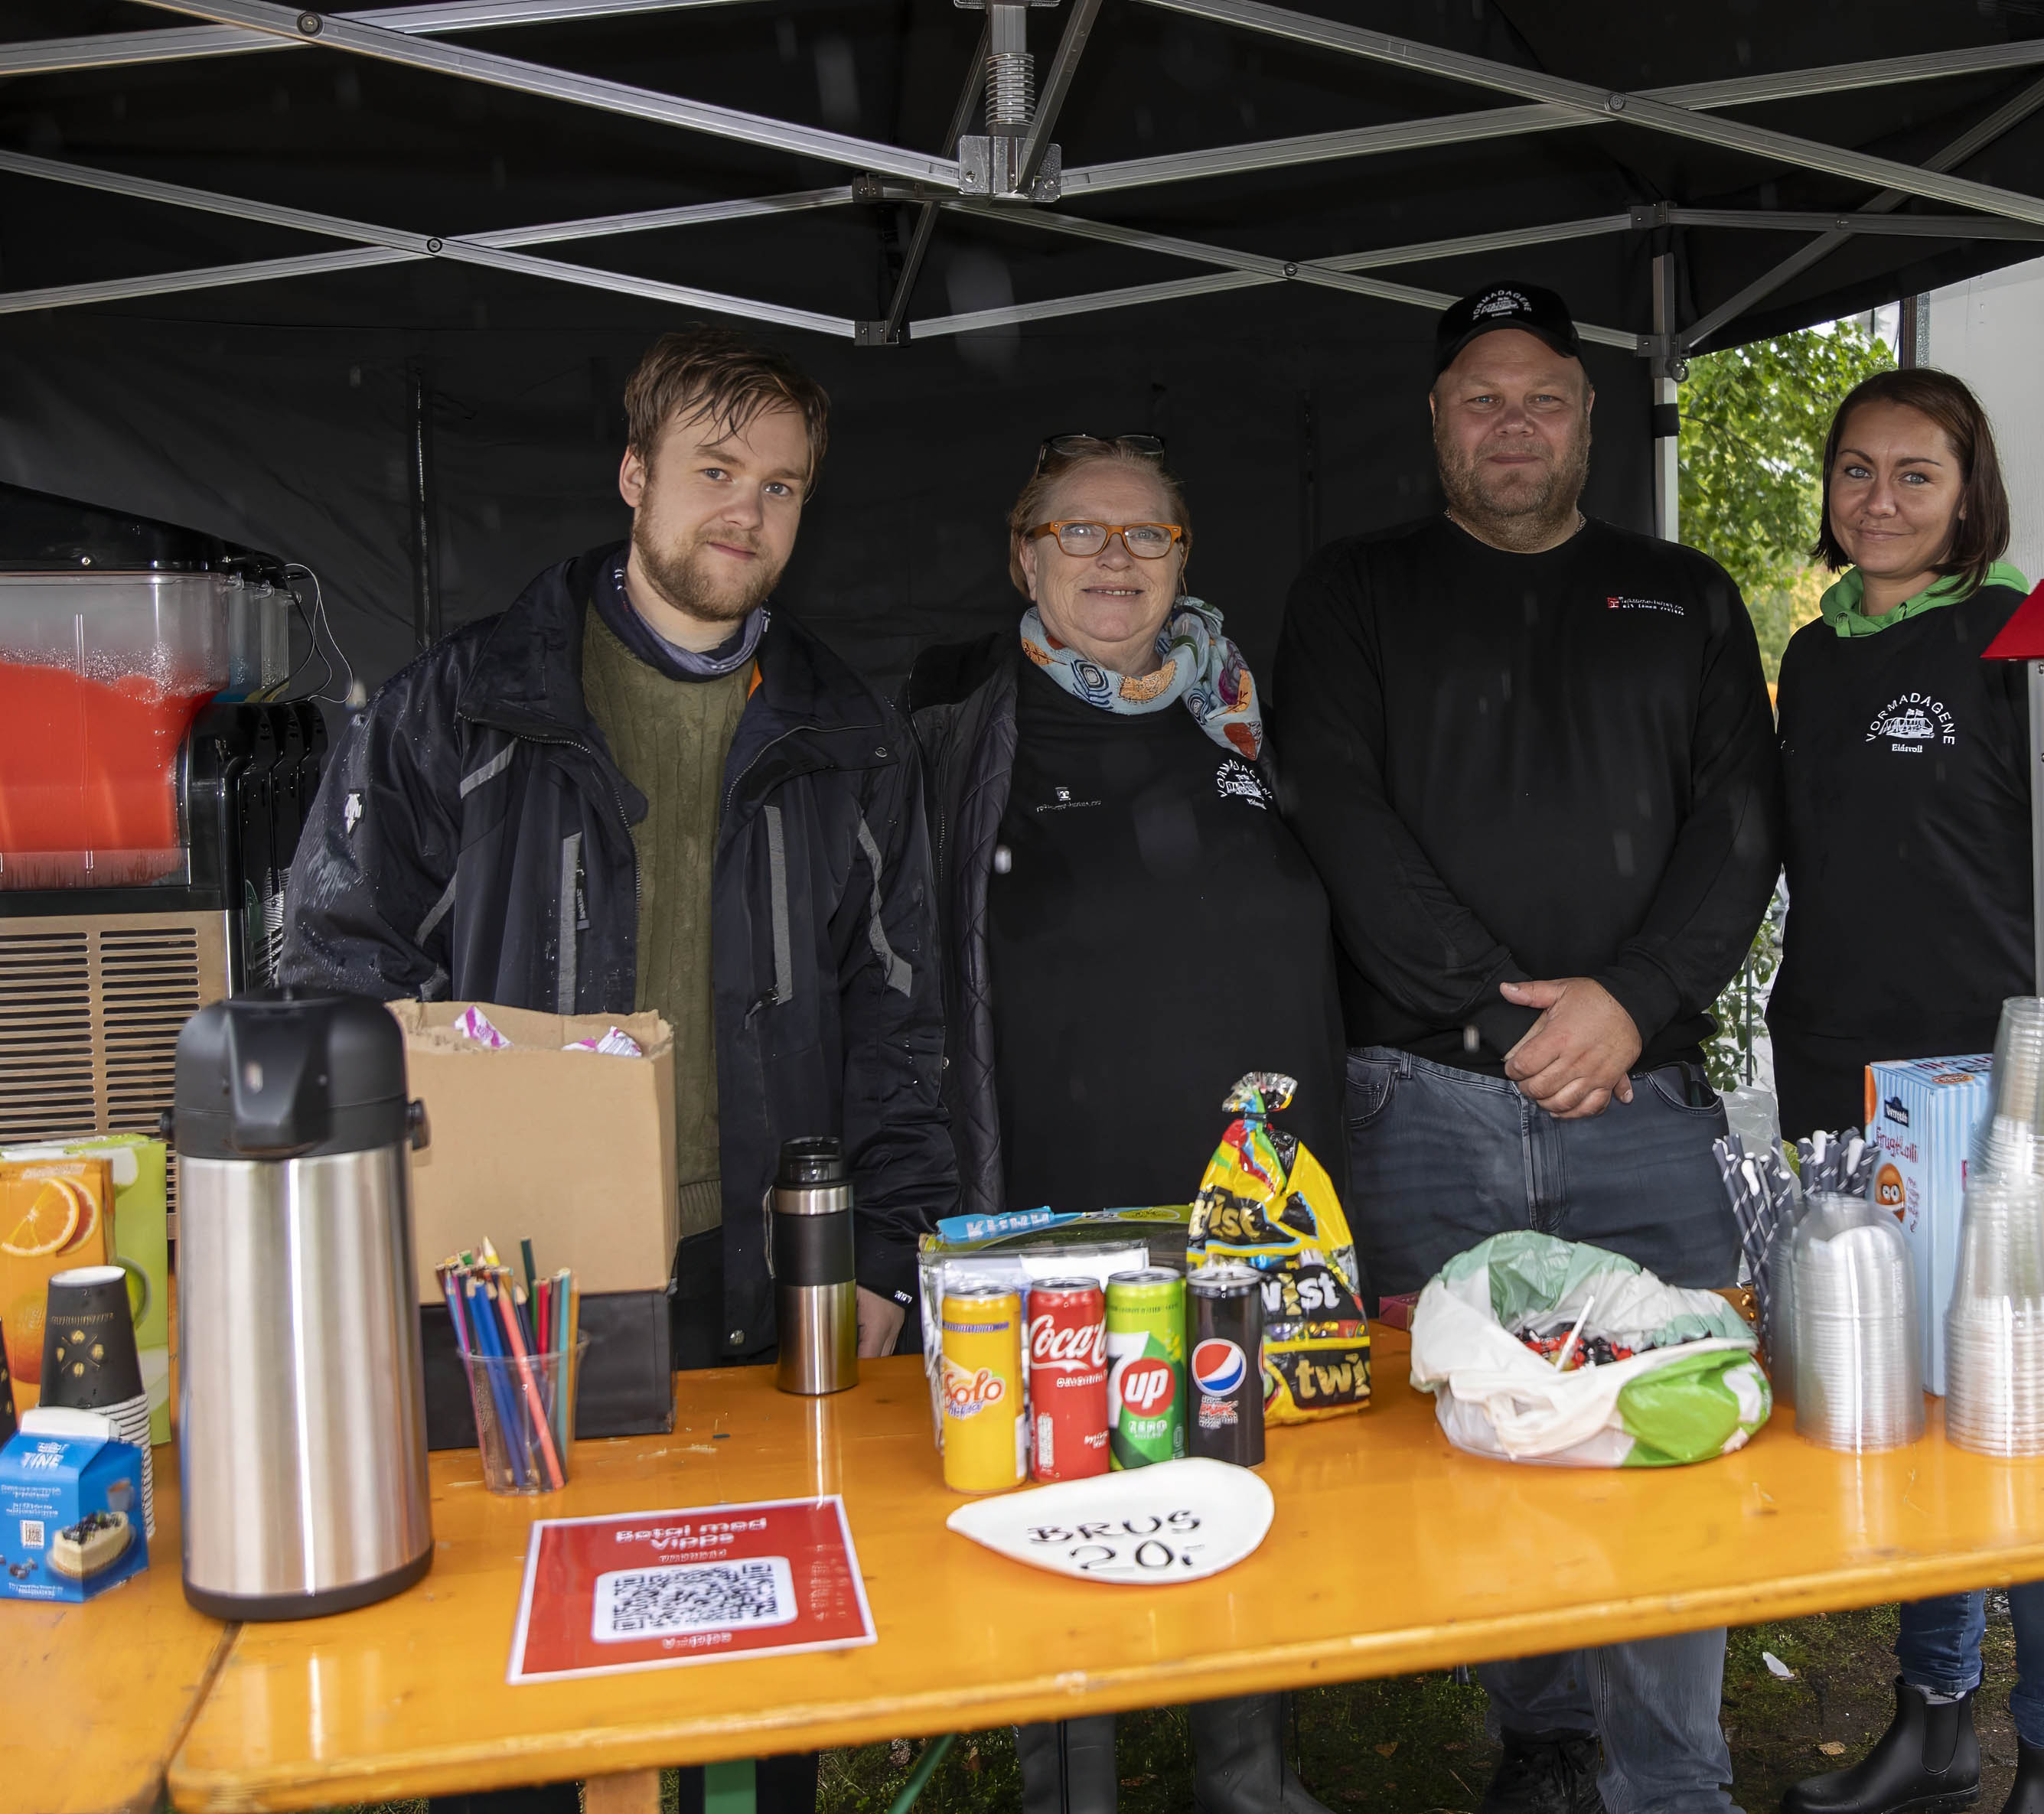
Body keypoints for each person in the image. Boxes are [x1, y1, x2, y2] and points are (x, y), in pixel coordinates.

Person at [285, 330, 955, 1814]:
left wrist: (886, 1258)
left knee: (758, 1674)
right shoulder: (456, 707)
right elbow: (333, 969)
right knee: (512, 1679)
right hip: (513, 1286)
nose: (748, 514)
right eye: (715, 473)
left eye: (781, 486)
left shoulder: (850, 736)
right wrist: (411, 1204)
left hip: (761, 1278)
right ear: (635, 474)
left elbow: (903, 1025)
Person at [1276, 283, 1781, 1814]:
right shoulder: (1350, 591)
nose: (1513, 423)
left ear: (1587, 422)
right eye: (1481, 397)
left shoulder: (1682, 595)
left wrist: (1626, 998)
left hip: (1643, 1099)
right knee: (1489, 1421)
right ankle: (1543, 1736)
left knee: (1668, 1429)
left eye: (1544, 397)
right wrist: (1506, 1020)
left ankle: (1673, 1777)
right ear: (1436, 421)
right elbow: (1338, 817)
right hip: (1428, 1098)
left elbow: (1739, 827)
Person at [909, 432, 1345, 1814]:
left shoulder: (1251, 719)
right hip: (1059, 1188)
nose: (1113, 560)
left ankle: (1248, 1774)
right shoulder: (955, 726)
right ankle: (1069, 1788)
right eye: (1079, 533)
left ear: (1183, 560)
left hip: (1256, 1195)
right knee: (1070, 1470)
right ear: (1024, 552)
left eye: (1144, 535)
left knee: (1246, 1462)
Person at [1766, 368, 2044, 1814]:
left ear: (1967, 489)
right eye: (1856, 472)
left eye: (1914, 475)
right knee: (1913, 1400)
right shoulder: (1810, 659)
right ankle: (1932, 1724)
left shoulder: (2024, 640)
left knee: (2031, 1411)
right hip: (1841, 1075)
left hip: (2002, 1080)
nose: (1880, 501)